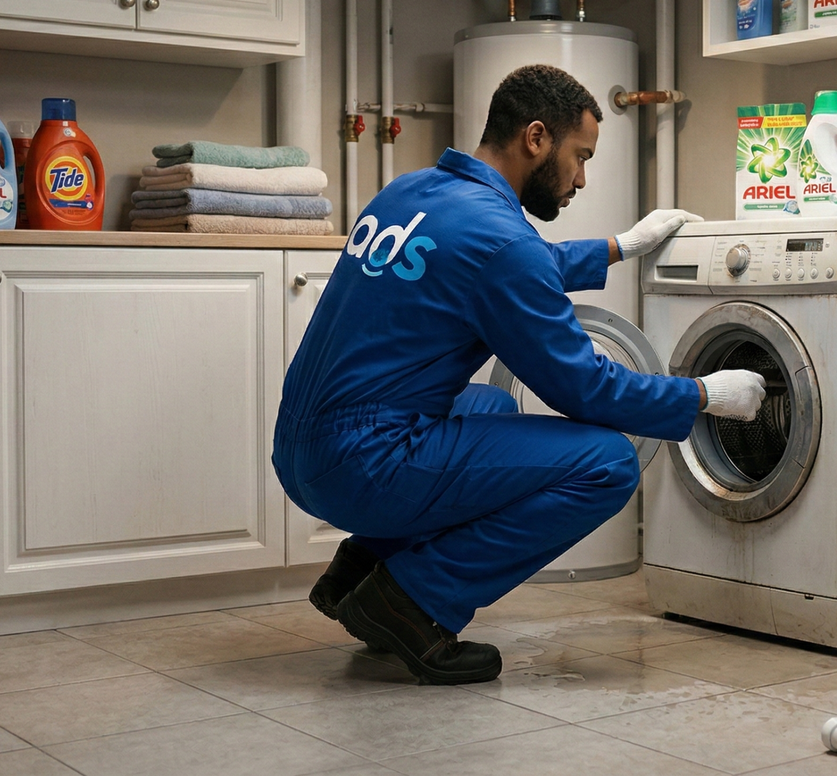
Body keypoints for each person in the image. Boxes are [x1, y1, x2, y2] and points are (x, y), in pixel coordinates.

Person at [272, 64, 767, 685]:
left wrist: (618, 246)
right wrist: (701, 395)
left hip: (301, 448)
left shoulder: (413, 191)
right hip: (361, 464)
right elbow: (583, 385)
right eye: (579, 157)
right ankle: (411, 602)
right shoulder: (501, 241)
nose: (581, 178)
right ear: (537, 137)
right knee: (606, 463)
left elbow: (497, 262)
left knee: (489, 409)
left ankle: (364, 567)